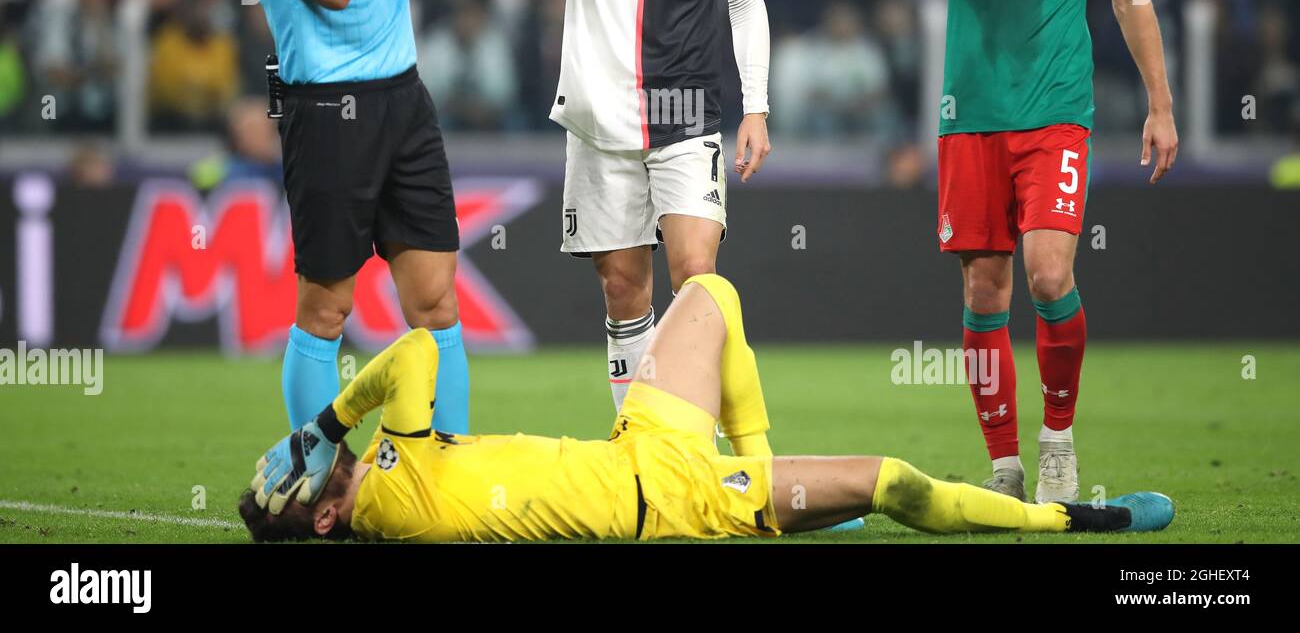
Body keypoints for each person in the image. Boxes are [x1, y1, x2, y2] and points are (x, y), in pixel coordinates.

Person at [745, 0, 1179, 503]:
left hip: (1054, 117)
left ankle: (1057, 444)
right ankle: (1005, 465)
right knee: (984, 294)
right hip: (968, 122)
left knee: (1049, 272)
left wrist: (1161, 102)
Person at [239, 273, 1174, 542]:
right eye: (294, 483)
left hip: (638, 448)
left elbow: (407, 361)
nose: (298, 466)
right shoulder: (390, 500)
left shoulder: (397, 471)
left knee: (710, 296)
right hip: (674, 503)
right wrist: (323, 427)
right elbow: (406, 351)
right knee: (894, 482)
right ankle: (1066, 519)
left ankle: (768, 471)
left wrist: (324, 436)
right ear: (325, 517)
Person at [241, 0, 534, 437]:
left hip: (405, 105)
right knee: (326, 310)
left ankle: (448, 465)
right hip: (326, 114)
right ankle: (313, 478)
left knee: (437, 305)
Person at [482, 0, 772, 413]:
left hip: (685, 117)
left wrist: (755, 105)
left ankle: (721, 448)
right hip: (597, 121)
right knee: (623, 292)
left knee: (699, 282)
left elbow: (744, 2)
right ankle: (640, 449)